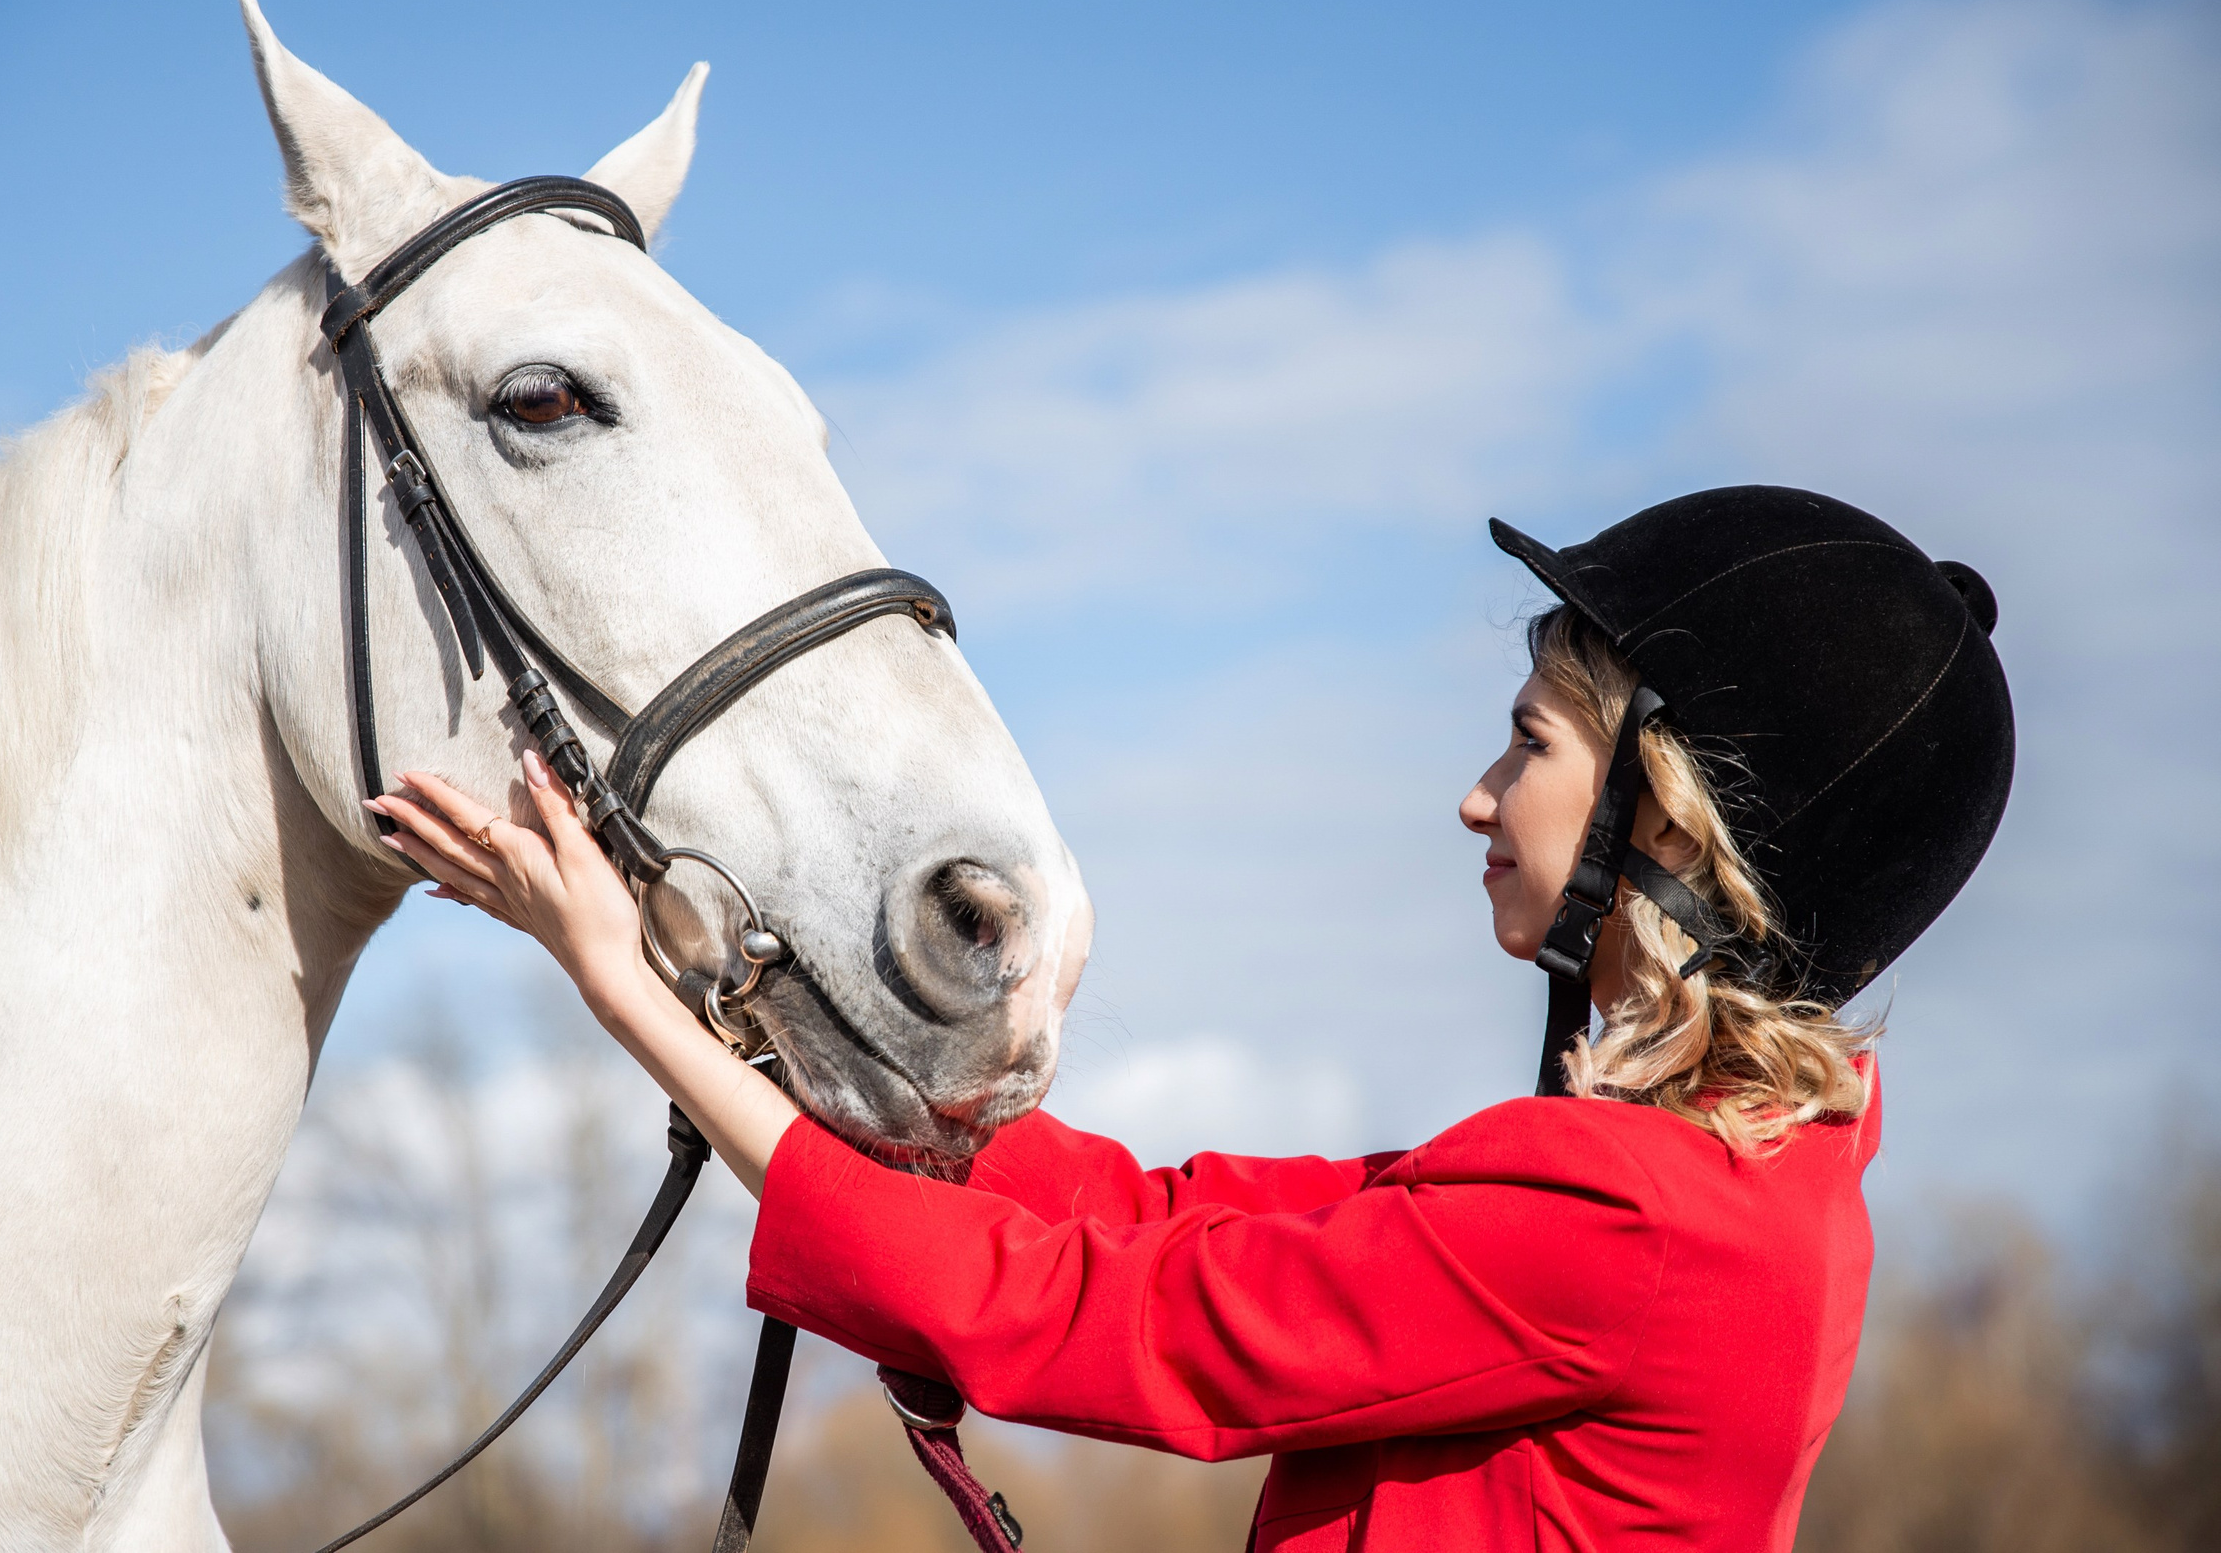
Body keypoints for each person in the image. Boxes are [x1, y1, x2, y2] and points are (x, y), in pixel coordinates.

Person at [368, 485, 2014, 1552]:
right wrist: (748, 1004)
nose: (1477, 794)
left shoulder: (1636, 1215)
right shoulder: (1731, 1195)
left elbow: (1103, 1323)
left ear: (1668, 824)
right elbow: (1163, 1224)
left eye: (1528, 744)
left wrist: (619, 989)